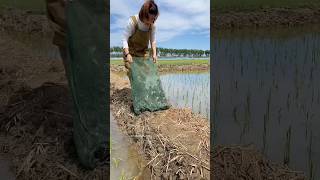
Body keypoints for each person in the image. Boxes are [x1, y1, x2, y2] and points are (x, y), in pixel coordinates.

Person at [46, 0, 108, 169]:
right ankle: (93, 144)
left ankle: (102, 135)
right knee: (83, 88)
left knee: (100, 87)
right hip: (74, 24)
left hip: (100, 25)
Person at [122, 0, 159, 73]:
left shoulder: (152, 25)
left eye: (153, 19)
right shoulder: (133, 21)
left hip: (143, 53)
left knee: (146, 73)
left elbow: (153, 41)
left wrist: (154, 54)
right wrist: (127, 54)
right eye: (149, 19)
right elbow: (124, 39)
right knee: (133, 74)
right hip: (130, 53)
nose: (151, 22)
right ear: (143, 15)